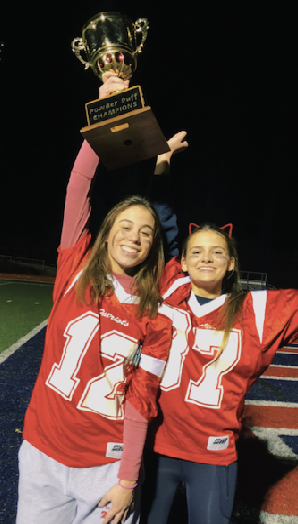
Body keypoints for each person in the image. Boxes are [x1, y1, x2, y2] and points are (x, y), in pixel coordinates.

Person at [15, 74, 185, 524]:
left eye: (145, 233)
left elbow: (140, 402)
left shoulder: (156, 315)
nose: (134, 237)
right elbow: (78, 186)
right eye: (125, 226)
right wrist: (104, 119)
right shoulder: (74, 270)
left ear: (153, 247)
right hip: (42, 457)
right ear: (106, 231)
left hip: (106, 469)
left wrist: (128, 480)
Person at [141, 221, 298, 524]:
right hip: (154, 446)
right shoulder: (162, 295)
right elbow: (155, 229)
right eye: (197, 252)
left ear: (231, 264)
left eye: (217, 252)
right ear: (182, 262)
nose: (207, 258)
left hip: (213, 453)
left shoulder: (258, 309)